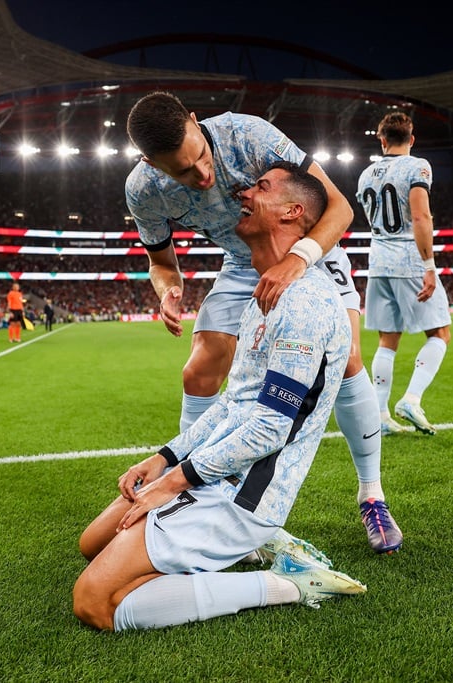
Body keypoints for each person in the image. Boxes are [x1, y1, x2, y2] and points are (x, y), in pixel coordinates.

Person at [73, 162, 366, 632]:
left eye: (261, 187)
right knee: (93, 544)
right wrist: (163, 458)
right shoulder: (264, 292)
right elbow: (232, 403)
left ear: (293, 212)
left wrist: (173, 482)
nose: (243, 194)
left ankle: (292, 583)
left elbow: (271, 427)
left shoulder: (306, 303)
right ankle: (193, 558)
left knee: (94, 602)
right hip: (213, 472)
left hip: (242, 496)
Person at [125, 91, 401, 554]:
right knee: (199, 370)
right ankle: (199, 491)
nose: (202, 176)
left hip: (312, 247)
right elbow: (161, 262)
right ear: (150, 163)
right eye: (182, 172)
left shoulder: (247, 133)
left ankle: (371, 495)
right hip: (241, 264)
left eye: (200, 158)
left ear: (196, 122)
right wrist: (168, 289)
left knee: (349, 359)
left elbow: (339, 208)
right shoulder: (142, 190)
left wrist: (297, 259)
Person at [356, 111, 452, 437]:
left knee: (388, 339)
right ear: (411, 139)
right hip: (408, 259)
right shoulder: (417, 166)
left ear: (381, 140)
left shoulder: (365, 175)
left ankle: (380, 414)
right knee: (439, 334)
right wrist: (429, 266)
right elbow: (421, 217)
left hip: (378, 260)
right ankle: (411, 398)